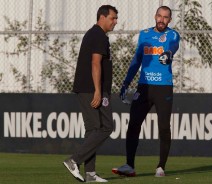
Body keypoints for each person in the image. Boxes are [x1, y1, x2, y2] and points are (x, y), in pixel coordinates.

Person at [112, 6, 180, 177]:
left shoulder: (172, 35)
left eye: (166, 17)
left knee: (164, 127)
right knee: (133, 124)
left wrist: (169, 53)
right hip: (144, 87)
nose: (162, 20)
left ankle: (161, 167)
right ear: (155, 16)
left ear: (169, 20)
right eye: (159, 16)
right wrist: (126, 82)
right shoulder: (144, 34)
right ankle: (129, 165)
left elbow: (173, 46)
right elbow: (137, 60)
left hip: (163, 87)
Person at [63, 5, 118, 183]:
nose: (115, 22)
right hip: (91, 89)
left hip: (90, 88)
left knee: (93, 130)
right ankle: (74, 160)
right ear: (102, 17)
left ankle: (90, 174)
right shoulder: (98, 35)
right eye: (112, 18)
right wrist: (97, 91)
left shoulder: (96, 35)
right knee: (105, 127)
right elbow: (95, 64)